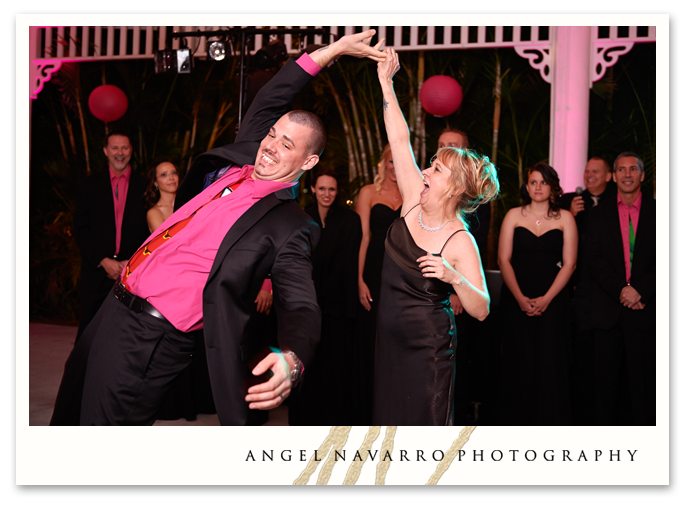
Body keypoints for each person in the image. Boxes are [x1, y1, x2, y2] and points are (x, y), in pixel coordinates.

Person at [49, 30, 386, 426]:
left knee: (102, 437)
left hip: (151, 335)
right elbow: (271, 97)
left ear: (308, 163)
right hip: (115, 304)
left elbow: (300, 304)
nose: (271, 145)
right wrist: (333, 51)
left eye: (287, 145)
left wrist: (292, 358)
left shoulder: (290, 225)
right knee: (69, 414)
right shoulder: (239, 161)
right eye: (273, 134)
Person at [373, 48, 499, 425]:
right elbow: (398, 136)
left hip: (428, 351)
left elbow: (481, 309)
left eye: (437, 169)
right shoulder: (413, 198)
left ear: (456, 187)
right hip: (387, 343)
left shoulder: (460, 239)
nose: (425, 170)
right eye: (430, 164)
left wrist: (453, 276)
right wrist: (385, 83)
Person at [496, 162, 577, 425]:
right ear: (526, 186)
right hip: (516, 298)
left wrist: (547, 299)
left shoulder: (566, 218)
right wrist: (520, 298)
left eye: (543, 182)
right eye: (533, 182)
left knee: (550, 361)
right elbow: (503, 260)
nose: (538, 187)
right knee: (518, 360)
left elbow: (570, 264)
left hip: (553, 300)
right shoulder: (512, 216)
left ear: (553, 187)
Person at [585, 152, 655, 425]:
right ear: (613, 176)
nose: (627, 174)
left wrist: (640, 289)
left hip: (647, 311)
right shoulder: (598, 215)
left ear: (642, 175)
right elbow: (593, 260)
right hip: (608, 312)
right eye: (621, 170)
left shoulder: (662, 213)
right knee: (605, 391)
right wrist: (623, 291)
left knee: (645, 391)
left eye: (633, 169)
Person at [289, 168, 362, 426]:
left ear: (338, 191)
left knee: (335, 367)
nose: (327, 194)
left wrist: (348, 310)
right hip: (307, 305)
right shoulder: (300, 218)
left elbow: (349, 266)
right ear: (313, 190)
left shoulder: (350, 220)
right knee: (308, 366)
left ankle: (335, 421)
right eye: (322, 188)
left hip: (338, 307)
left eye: (331, 189)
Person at [72, 131, 149, 342]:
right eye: (115, 148)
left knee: (125, 339)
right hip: (96, 274)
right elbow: (80, 229)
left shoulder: (145, 186)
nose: (120, 153)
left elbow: (149, 233)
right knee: (87, 337)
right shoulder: (89, 185)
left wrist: (131, 263)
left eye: (124, 148)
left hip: (131, 275)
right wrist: (103, 261)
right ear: (106, 151)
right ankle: (81, 376)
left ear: (131, 151)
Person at [558, 156, 616, 423]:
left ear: (608, 177)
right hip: (574, 291)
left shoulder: (617, 203)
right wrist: (570, 215)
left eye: (596, 171)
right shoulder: (568, 201)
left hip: (608, 293)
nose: (589, 175)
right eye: (586, 171)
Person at [354, 143, 402, 424]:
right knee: (370, 339)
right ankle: (367, 412)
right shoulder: (368, 193)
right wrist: (359, 279)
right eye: (390, 161)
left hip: (402, 273)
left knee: (397, 338)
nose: (395, 167)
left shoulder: (414, 193)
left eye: (400, 161)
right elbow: (364, 238)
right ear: (383, 163)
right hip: (373, 269)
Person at [144, 157, 180, 233]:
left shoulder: (189, 202)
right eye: (164, 175)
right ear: (155, 182)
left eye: (174, 173)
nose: (171, 177)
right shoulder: (154, 213)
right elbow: (166, 243)